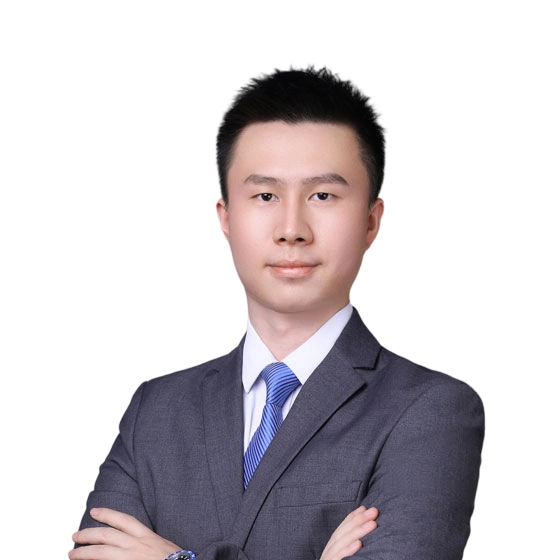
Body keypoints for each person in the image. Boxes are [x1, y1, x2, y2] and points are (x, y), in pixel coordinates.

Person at [69, 66, 485, 559]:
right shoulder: (155, 410)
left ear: (372, 222)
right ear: (225, 218)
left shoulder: (429, 409)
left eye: (322, 195)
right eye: (265, 195)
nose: (292, 229)